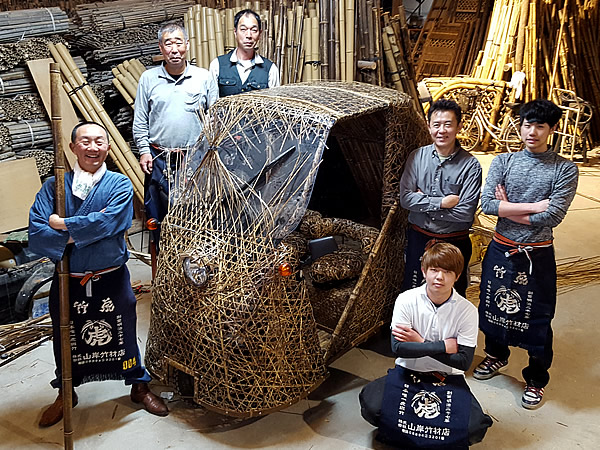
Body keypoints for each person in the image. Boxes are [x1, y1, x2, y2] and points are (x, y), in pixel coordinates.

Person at [29, 122, 169, 427]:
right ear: (73, 147)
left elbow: (112, 224)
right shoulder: (54, 187)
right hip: (69, 280)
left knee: (125, 332)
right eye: (85, 141)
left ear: (107, 147)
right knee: (65, 336)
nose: (93, 147)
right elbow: (37, 234)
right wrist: (79, 228)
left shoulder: (119, 185)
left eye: (99, 141)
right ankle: (66, 392)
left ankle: (138, 385)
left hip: (111, 277)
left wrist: (62, 224)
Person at [473, 99, 578, 410]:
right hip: (501, 248)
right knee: (492, 305)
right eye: (527, 124)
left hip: (537, 254)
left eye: (540, 126)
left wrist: (509, 209)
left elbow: (554, 216)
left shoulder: (564, 168)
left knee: (538, 315)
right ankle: (497, 355)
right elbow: (488, 206)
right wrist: (534, 206)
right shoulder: (503, 162)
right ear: (519, 126)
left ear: (552, 130)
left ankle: (535, 377)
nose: (532, 131)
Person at [359, 242, 492, 448]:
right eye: (434, 270)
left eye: (447, 272)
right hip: (408, 371)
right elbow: (398, 349)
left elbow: (464, 362)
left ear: (457, 276)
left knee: (474, 427)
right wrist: (443, 346)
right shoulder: (406, 300)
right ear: (424, 271)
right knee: (371, 406)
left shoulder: (467, 310)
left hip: (447, 377)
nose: (439, 277)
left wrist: (419, 342)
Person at [133, 22, 218, 245]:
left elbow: (215, 120)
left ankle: (193, 269)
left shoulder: (204, 77)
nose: (174, 49)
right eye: (168, 43)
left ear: (187, 45)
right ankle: (162, 268)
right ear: (161, 48)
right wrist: (144, 151)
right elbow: (140, 121)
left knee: (196, 216)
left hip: (195, 159)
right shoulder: (148, 79)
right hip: (159, 159)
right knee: (159, 219)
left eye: (178, 42)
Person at [399, 99, 482, 297]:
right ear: (429, 127)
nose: (441, 130)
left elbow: (464, 214)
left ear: (459, 126)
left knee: (453, 295)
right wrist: (442, 203)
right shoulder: (417, 157)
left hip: (454, 241)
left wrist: (422, 202)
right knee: (414, 293)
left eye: (448, 124)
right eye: (436, 125)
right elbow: (405, 199)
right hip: (419, 238)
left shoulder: (471, 166)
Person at [209, 9, 280, 97]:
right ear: (235, 32)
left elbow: (274, 106)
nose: (249, 35)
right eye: (243, 29)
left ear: (260, 34)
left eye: (254, 30)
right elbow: (212, 104)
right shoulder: (217, 65)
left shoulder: (270, 69)